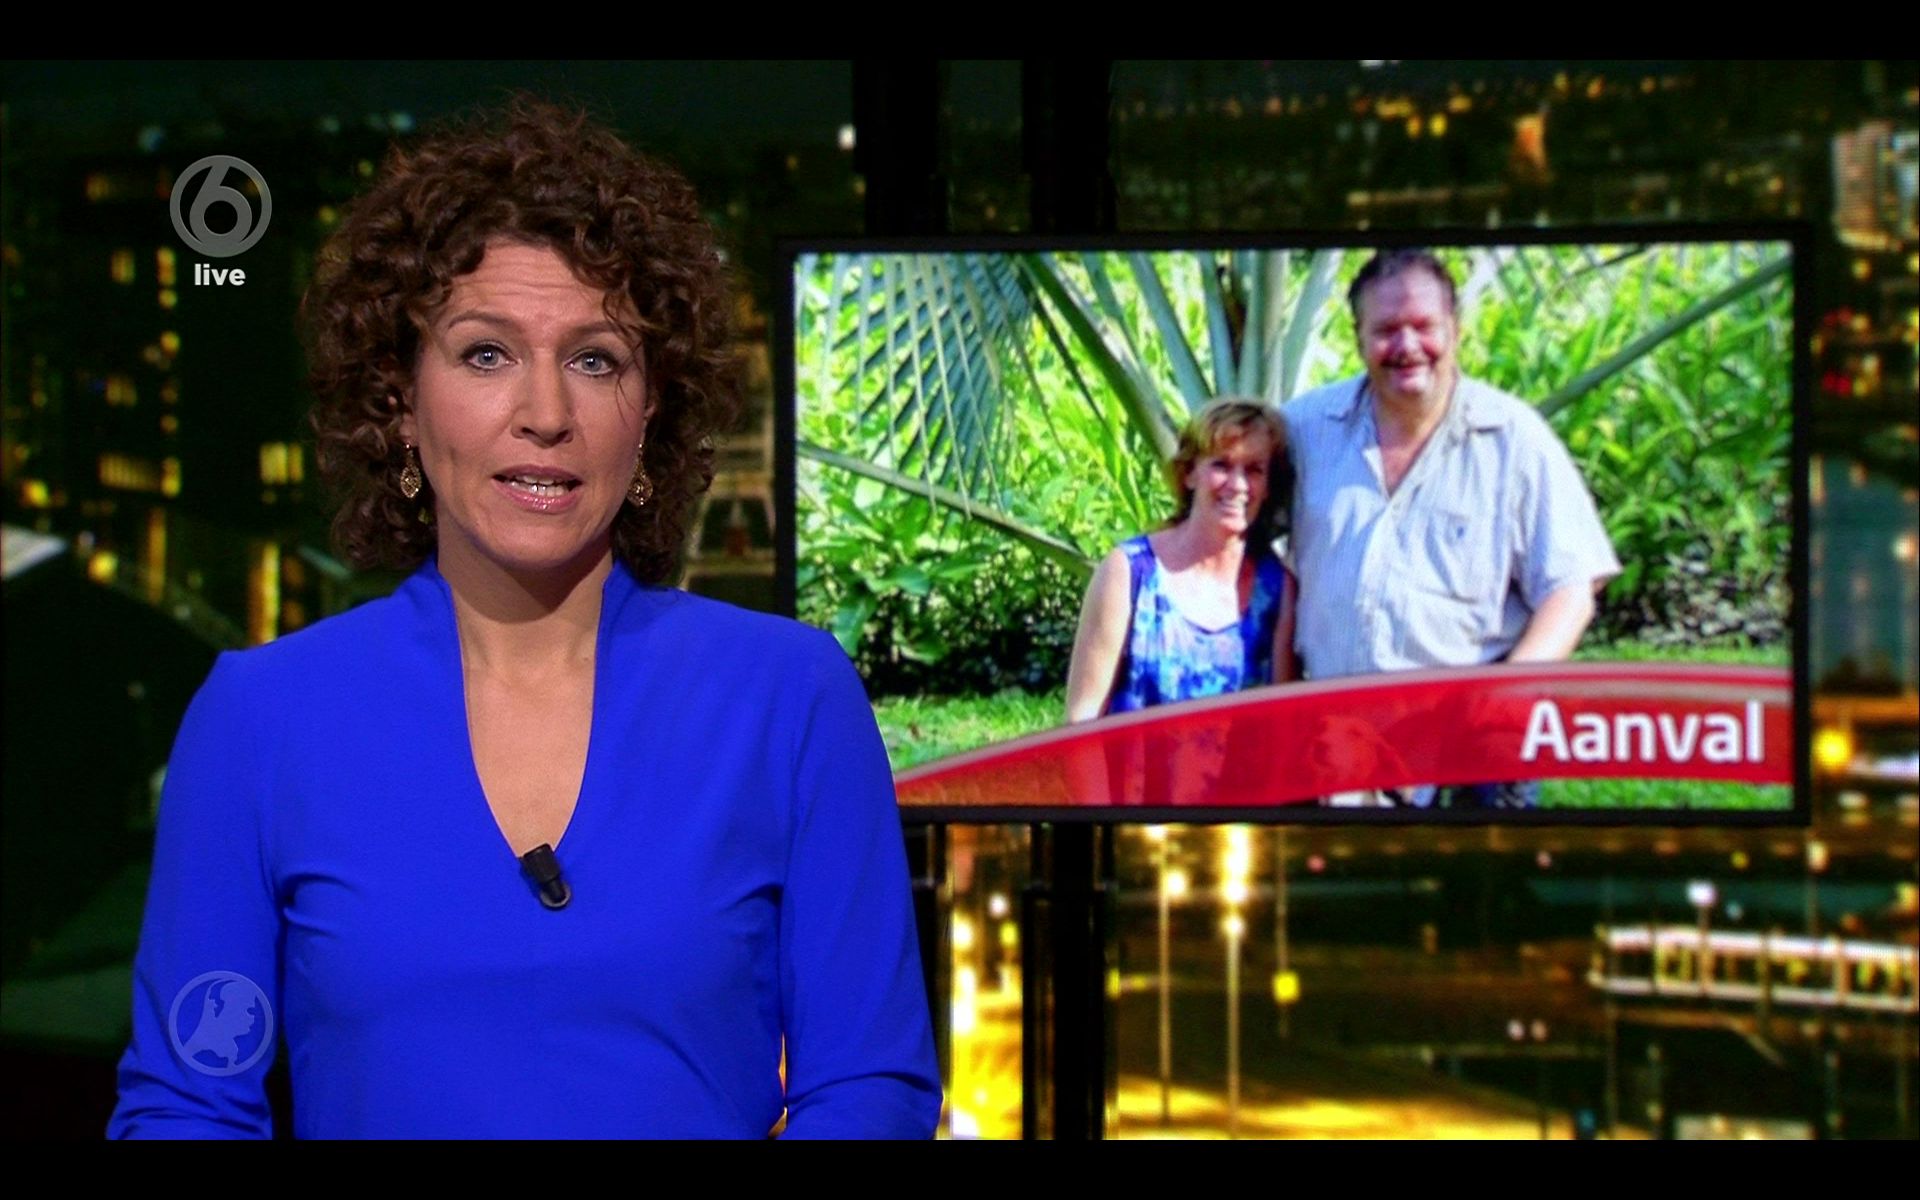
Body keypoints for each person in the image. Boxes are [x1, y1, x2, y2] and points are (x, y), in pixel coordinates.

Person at [109, 100, 940, 1139]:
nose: (546, 414)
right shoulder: (260, 718)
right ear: (400, 399)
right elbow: (187, 1105)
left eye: (596, 360)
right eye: (485, 355)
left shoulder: (791, 700)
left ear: (651, 408)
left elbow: (869, 1085)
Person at [1281, 248, 1620, 807]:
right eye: (1386, 330)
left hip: (1466, 756)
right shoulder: (1305, 429)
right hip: (1328, 742)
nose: (1407, 346)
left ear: (1455, 329)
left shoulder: (1513, 438)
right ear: (1358, 337)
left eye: (1424, 326)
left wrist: (1506, 696)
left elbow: (1571, 587)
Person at [1065, 397, 1295, 723]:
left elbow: (1282, 727)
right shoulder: (1129, 572)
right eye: (1222, 465)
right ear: (1189, 473)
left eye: (1254, 470)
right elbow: (1082, 717)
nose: (1237, 484)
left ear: (1269, 486)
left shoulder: (1277, 589)